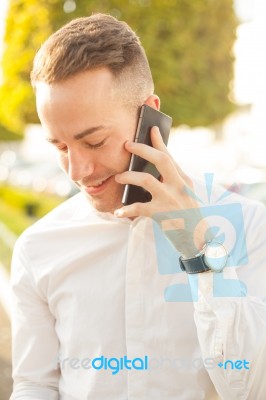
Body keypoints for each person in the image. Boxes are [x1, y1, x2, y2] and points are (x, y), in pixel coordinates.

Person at [10, 13, 266, 400]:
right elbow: (35, 384)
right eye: (60, 147)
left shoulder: (249, 225)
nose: (78, 171)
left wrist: (199, 250)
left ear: (150, 116)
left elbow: (251, 386)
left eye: (94, 142)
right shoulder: (38, 247)